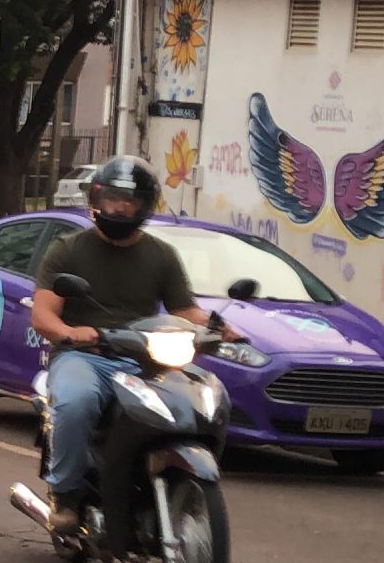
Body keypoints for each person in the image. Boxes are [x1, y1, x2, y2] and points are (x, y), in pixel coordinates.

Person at [28, 154, 235, 535]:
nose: (122, 207)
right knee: (77, 402)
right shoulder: (68, 249)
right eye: (115, 198)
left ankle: (171, 480)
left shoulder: (161, 255)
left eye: (132, 200)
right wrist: (70, 333)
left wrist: (218, 326)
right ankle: (67, 494)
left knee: (206, 398)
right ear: (97, 199)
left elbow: (184, 309)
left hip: (144, 358)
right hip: (85, 355)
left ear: (145, 204)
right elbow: (43, 314)